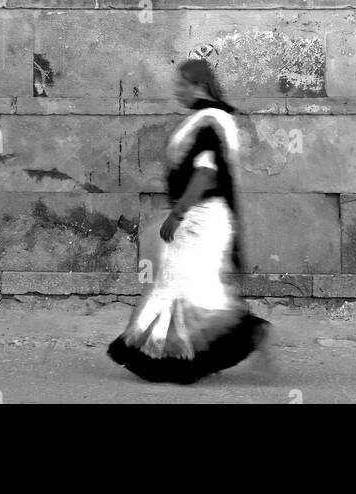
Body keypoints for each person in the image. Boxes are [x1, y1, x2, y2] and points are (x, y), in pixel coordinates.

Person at [107, 58, 269, 383]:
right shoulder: (203, 119)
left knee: (193, 287)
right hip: (195, 215)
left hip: (202, 218)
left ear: (199, 85)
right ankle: (179, 357)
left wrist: (179, 213)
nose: (177, 91)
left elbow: (207, 174)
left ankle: (239, 337)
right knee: (180, 285)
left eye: (182, 84)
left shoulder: (211, 121)